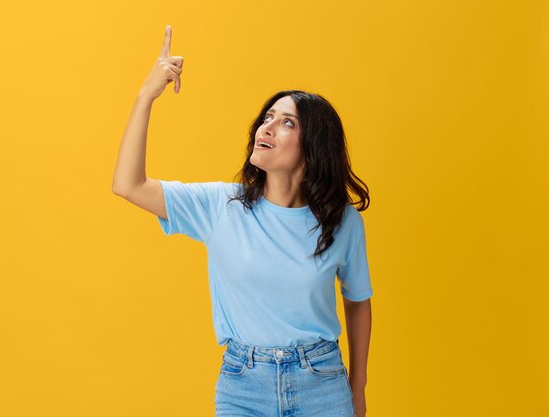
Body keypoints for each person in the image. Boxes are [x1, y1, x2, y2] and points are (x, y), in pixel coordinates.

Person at [112, 25, 373, 417]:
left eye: (287, 122)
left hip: (321, 383)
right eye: (268, 116)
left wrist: (358, 388)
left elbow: (358, 303)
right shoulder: (221, 206)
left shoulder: (342, 222)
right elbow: (127, 184)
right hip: (243, 387)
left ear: (314, 146)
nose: (266, 127)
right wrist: (146, 94)